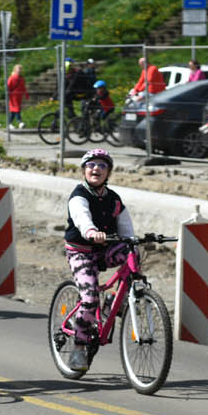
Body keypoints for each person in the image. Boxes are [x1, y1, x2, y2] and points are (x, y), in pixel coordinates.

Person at [62, 148, 135, 371]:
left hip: (104, 251)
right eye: (91, 165)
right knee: (90, 298)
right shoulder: (79, 196)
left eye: (102, 166)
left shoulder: (114, 199)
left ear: (108, 172)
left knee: (133, 254)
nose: (96, 169)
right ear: (84, 170)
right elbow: (81, 217)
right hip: (81, 251)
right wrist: (91, 231)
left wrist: (131, 239)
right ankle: (79, 347)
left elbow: (125, 225)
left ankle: (117, 301)